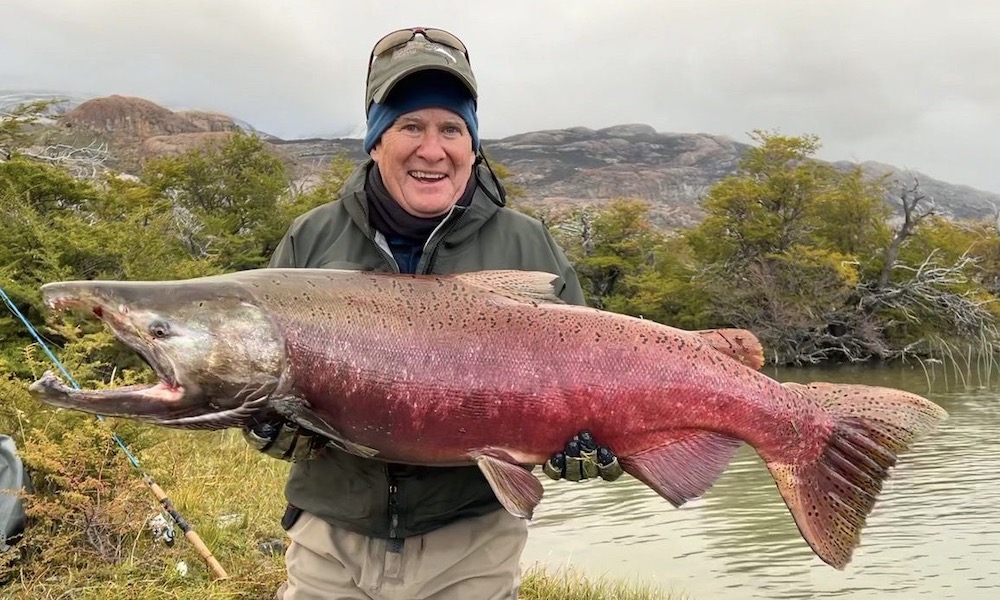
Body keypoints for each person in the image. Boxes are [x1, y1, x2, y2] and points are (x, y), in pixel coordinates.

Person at [246, 27, 621, 600]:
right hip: (330, 538)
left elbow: (590, 380)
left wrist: (595, 442)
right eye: (409, 126)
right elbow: (263, 375)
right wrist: (267, 427)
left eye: (451, 128)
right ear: (374, 140)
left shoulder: (526, 242)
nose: (432, 149)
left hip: (472, 545)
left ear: (473, 144)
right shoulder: (312, 238)